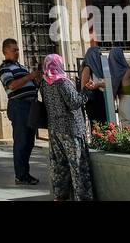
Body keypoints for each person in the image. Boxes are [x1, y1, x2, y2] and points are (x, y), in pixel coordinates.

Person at [39, 53, 93, 201]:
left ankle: (60, 196)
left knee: (59, 166)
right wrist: (86, 90)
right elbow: (74, 102)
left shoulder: (44, 83)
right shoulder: (62, 82)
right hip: (71, 129)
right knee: (78, 167)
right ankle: (82, 197)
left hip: (55, 130)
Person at [0, 38, 42, 185]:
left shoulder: (21, 67)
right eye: (14, 50)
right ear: (5, 51)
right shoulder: (4, 69)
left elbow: (30, 83)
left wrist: (37, 78)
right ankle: (21, 175)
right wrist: (29, 76)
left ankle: (25, 173)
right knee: (21, 141)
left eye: (17, 49)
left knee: (29, 141)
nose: (17, 52)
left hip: (30, 106)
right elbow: (11, 85)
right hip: (19, 107)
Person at [79, 31, 108, 127]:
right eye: (98, 54)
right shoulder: (87, 68)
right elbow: (84, 87)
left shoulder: (99, 69)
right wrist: (93, 85)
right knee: (97, 125)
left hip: (101, 98)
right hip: (93, 101)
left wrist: (98, 84)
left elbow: (107, 83)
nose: (99, 56)